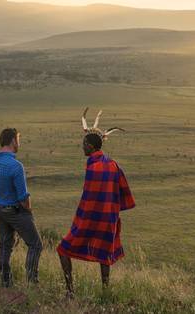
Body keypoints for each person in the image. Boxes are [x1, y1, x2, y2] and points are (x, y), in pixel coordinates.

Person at [58, 108, 135, 297]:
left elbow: (88, 197)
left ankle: (70, 290)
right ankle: (105, 291)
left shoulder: (93, 167)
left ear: (91, 147)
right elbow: (122, 191)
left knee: (63, 249)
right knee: (104, 254)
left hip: (90, 218)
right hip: (108, 218)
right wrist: (112, 210)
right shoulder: (113, 164)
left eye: (84, 144)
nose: (82, 147)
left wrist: (82, 216)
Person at [0, 128, 42, 287]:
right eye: (18, 139)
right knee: (35, 244)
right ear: (13, 141)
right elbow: (23, 197)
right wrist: (29, 211)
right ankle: (31, 281)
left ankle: (4, 280)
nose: (19, 143)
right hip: (14, 210)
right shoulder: (16, 166)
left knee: (5, 244)